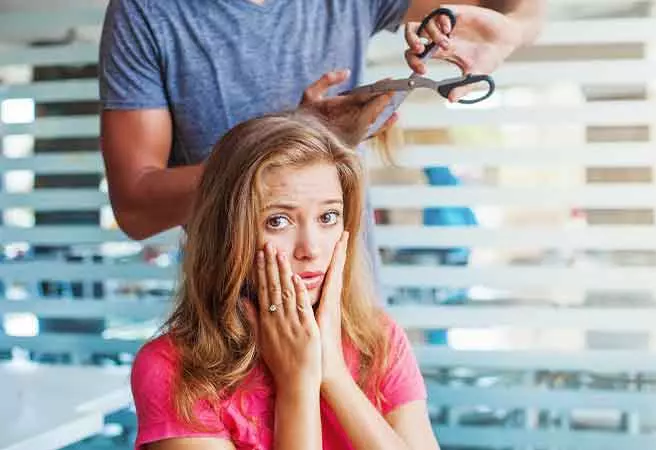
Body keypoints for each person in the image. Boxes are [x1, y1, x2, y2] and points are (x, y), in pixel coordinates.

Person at [99, 0, 545, 278]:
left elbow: (510, 8)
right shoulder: (147, 11)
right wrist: (298, 140)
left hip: (352, 314)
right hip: (231, 330)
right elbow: (136, 208)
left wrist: (512, 30)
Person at [130, 110, 440, 449]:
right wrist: (297, 385)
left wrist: (334, 374)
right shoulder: (172, 367)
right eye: (278, 221)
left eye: (328, 216)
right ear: (227, 234)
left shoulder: (379, 339)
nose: (310, 249)